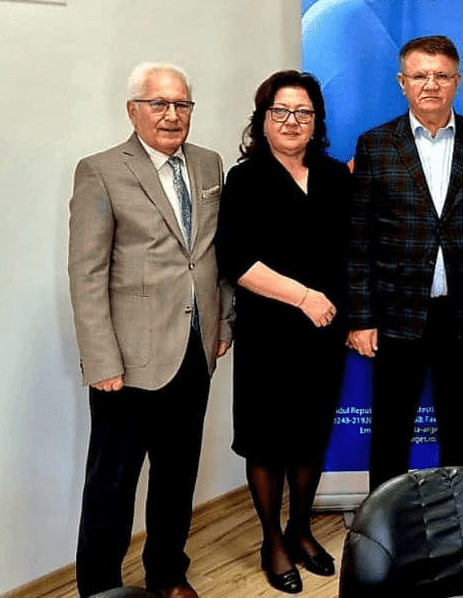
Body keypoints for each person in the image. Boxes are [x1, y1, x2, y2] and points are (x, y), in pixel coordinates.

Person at [68, 62, 233, 598]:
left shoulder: (208, 163)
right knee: (112, 486)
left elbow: (216, 253)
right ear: (133, 110)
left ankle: (167, 574)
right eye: (159, 104)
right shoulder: (100, 171)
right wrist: (101, 361)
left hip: (194, 351)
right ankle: (101, 588)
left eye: (181, 104)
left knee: (176, 478)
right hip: (127, 362)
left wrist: (223, 321)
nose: (171, 115)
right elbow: (87, 273)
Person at [346, 34, 463, 491]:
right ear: (402, 82)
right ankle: (386, 523)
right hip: (395, 315)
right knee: (390, 431)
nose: (431, 84)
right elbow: (360, 240)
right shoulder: (376, 145)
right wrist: (361, 318)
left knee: (461, 432)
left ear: (457, 81)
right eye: (420, 75)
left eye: (441, 75)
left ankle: (458, 520)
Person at [215, 70, 351, 593]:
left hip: (324, 333)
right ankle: (271, 539)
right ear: (263, 120)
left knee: (311, 436)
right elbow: (236, 259)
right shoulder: (245, 179)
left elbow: (350, 248)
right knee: (268, 440)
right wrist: (303, 297)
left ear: (316, 121)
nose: (292, 121)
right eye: (281, 112)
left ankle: (300, 528)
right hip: (269, 334)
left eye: (303, 112)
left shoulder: (335, 176)